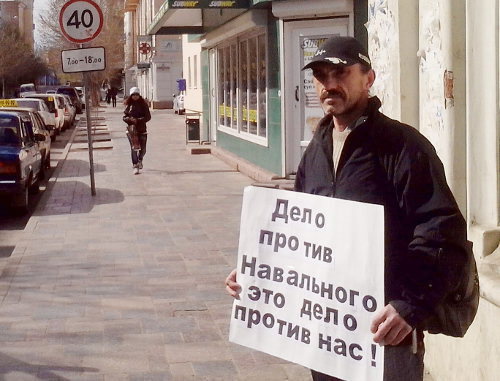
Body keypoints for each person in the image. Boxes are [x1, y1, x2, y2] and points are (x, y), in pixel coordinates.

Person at [225, 36, 470, 380]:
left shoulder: (402, 146)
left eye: (340, 73)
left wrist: (410, 306)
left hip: (385, 333)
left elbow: (441, 232)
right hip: (327, 335)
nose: (330, 84)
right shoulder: (318, 148)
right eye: (322, 76)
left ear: (368, 79)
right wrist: (259, 274)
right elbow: (299, 236)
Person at [123, 87, 151, 175]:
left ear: (139, 95)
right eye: (133, 95)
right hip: (132, 130)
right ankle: (135, 165)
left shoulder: (144, 105)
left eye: (137, 95)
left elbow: (148, 117)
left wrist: (139, 120)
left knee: (143, 150)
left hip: (142, 129)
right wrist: (130, 119)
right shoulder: (128, 105)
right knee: (134, 148)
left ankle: (140, 160)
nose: (135, 96)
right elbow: (124, 117)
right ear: (131, 96)